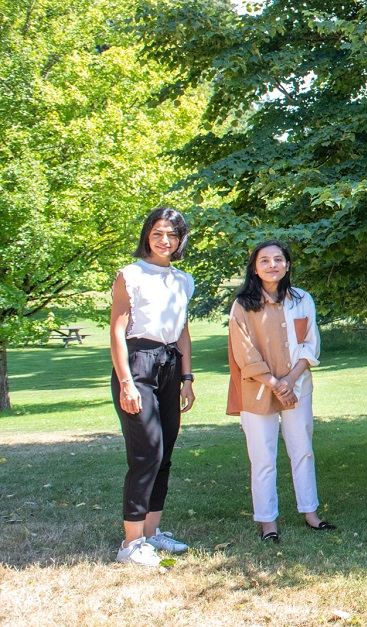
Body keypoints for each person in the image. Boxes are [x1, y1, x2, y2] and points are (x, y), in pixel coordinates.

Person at [227, 241, 335, 542]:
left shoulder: (302, 299)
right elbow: (244, 352)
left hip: (297, 387)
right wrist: (275, 384)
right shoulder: (242, 305)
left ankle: (311, 513)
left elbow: (310, 344)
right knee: (263, 457)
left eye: (278, 259)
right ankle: (268, 522)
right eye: (264, 260)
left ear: (287, 265)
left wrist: (290, 380)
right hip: (257, 390)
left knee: (303, 451)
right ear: (254, 268)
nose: (272, 264)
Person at [109, 206, 196, 567]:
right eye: (158, 232)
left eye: (172, 234)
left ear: (180, 240)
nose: (165, 240)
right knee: (147, 452)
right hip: (137, 364)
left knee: (165, 453)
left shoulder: (183, 280)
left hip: (170, 365)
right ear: (147, 234)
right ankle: (130, 545)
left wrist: (187, 378)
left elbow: (182, 331)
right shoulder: (130, 275)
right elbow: (117, 331)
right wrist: (126, 383)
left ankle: (152, 532)